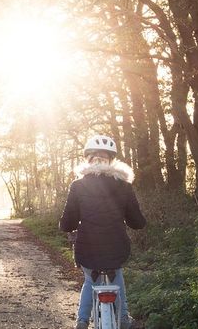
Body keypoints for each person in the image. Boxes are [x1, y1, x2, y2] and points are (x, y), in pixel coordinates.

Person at [59, 135, 146, 329]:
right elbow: (137, 222)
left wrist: (66, 226)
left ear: (88, 160)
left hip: (87, 249)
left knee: (90, 279)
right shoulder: (124, 185)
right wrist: (137, 221)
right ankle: (123, 319)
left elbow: (67, 222)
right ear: (111, 160)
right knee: (117, 274)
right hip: (117, 247)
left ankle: (82, 321)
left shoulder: (78, 186)